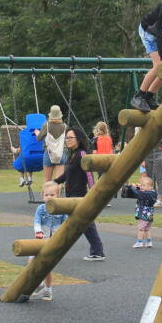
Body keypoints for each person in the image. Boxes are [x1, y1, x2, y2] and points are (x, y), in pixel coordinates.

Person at [54, 126, 105, 261]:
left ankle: (97, 251)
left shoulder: (82, 154)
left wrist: (93, 193)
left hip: (79, 195)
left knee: (82, 224)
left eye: (70, 137)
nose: (67, 140)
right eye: (66, 138)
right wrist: (55, 182)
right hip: (71, 194)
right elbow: (67, 174)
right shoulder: (72, 155)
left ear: (78, 139)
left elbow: (89, 174)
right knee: (81, 224)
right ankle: (97, 250)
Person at [30, 181, 67, 300]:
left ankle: (48, 290)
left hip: (53, 241)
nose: (49, 197)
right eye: (47, 195)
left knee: (47, 267)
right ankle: (39, 284)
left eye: (52, 195)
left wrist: (60, 236)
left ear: (58, 196)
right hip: (41, 239)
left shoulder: (61, 209)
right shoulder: (41, 209)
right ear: (42, 195)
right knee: (31, 261)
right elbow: (36, 221)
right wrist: (38, 231)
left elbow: (65, 224)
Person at [34, 105, 68, 183]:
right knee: (59, 181)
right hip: (61, 153)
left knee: (47, 181)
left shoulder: (46, 125)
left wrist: (37, 133)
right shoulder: (65, 126)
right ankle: (58, 194)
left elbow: (39, 139)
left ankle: (47, 195)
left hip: (49, 153)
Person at [122, 176, 158, 248]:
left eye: (144, 185)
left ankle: (139, 242)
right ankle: (149, 242)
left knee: (140, 229)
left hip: (144, 214)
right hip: (150, 215)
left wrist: (133, 187)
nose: (142, 187)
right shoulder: (152, 193)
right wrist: (139, 187)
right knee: (147, 229)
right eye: (141, 185)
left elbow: (138, 193)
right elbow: (141, 192)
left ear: (150, 187)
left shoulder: (146, 194)